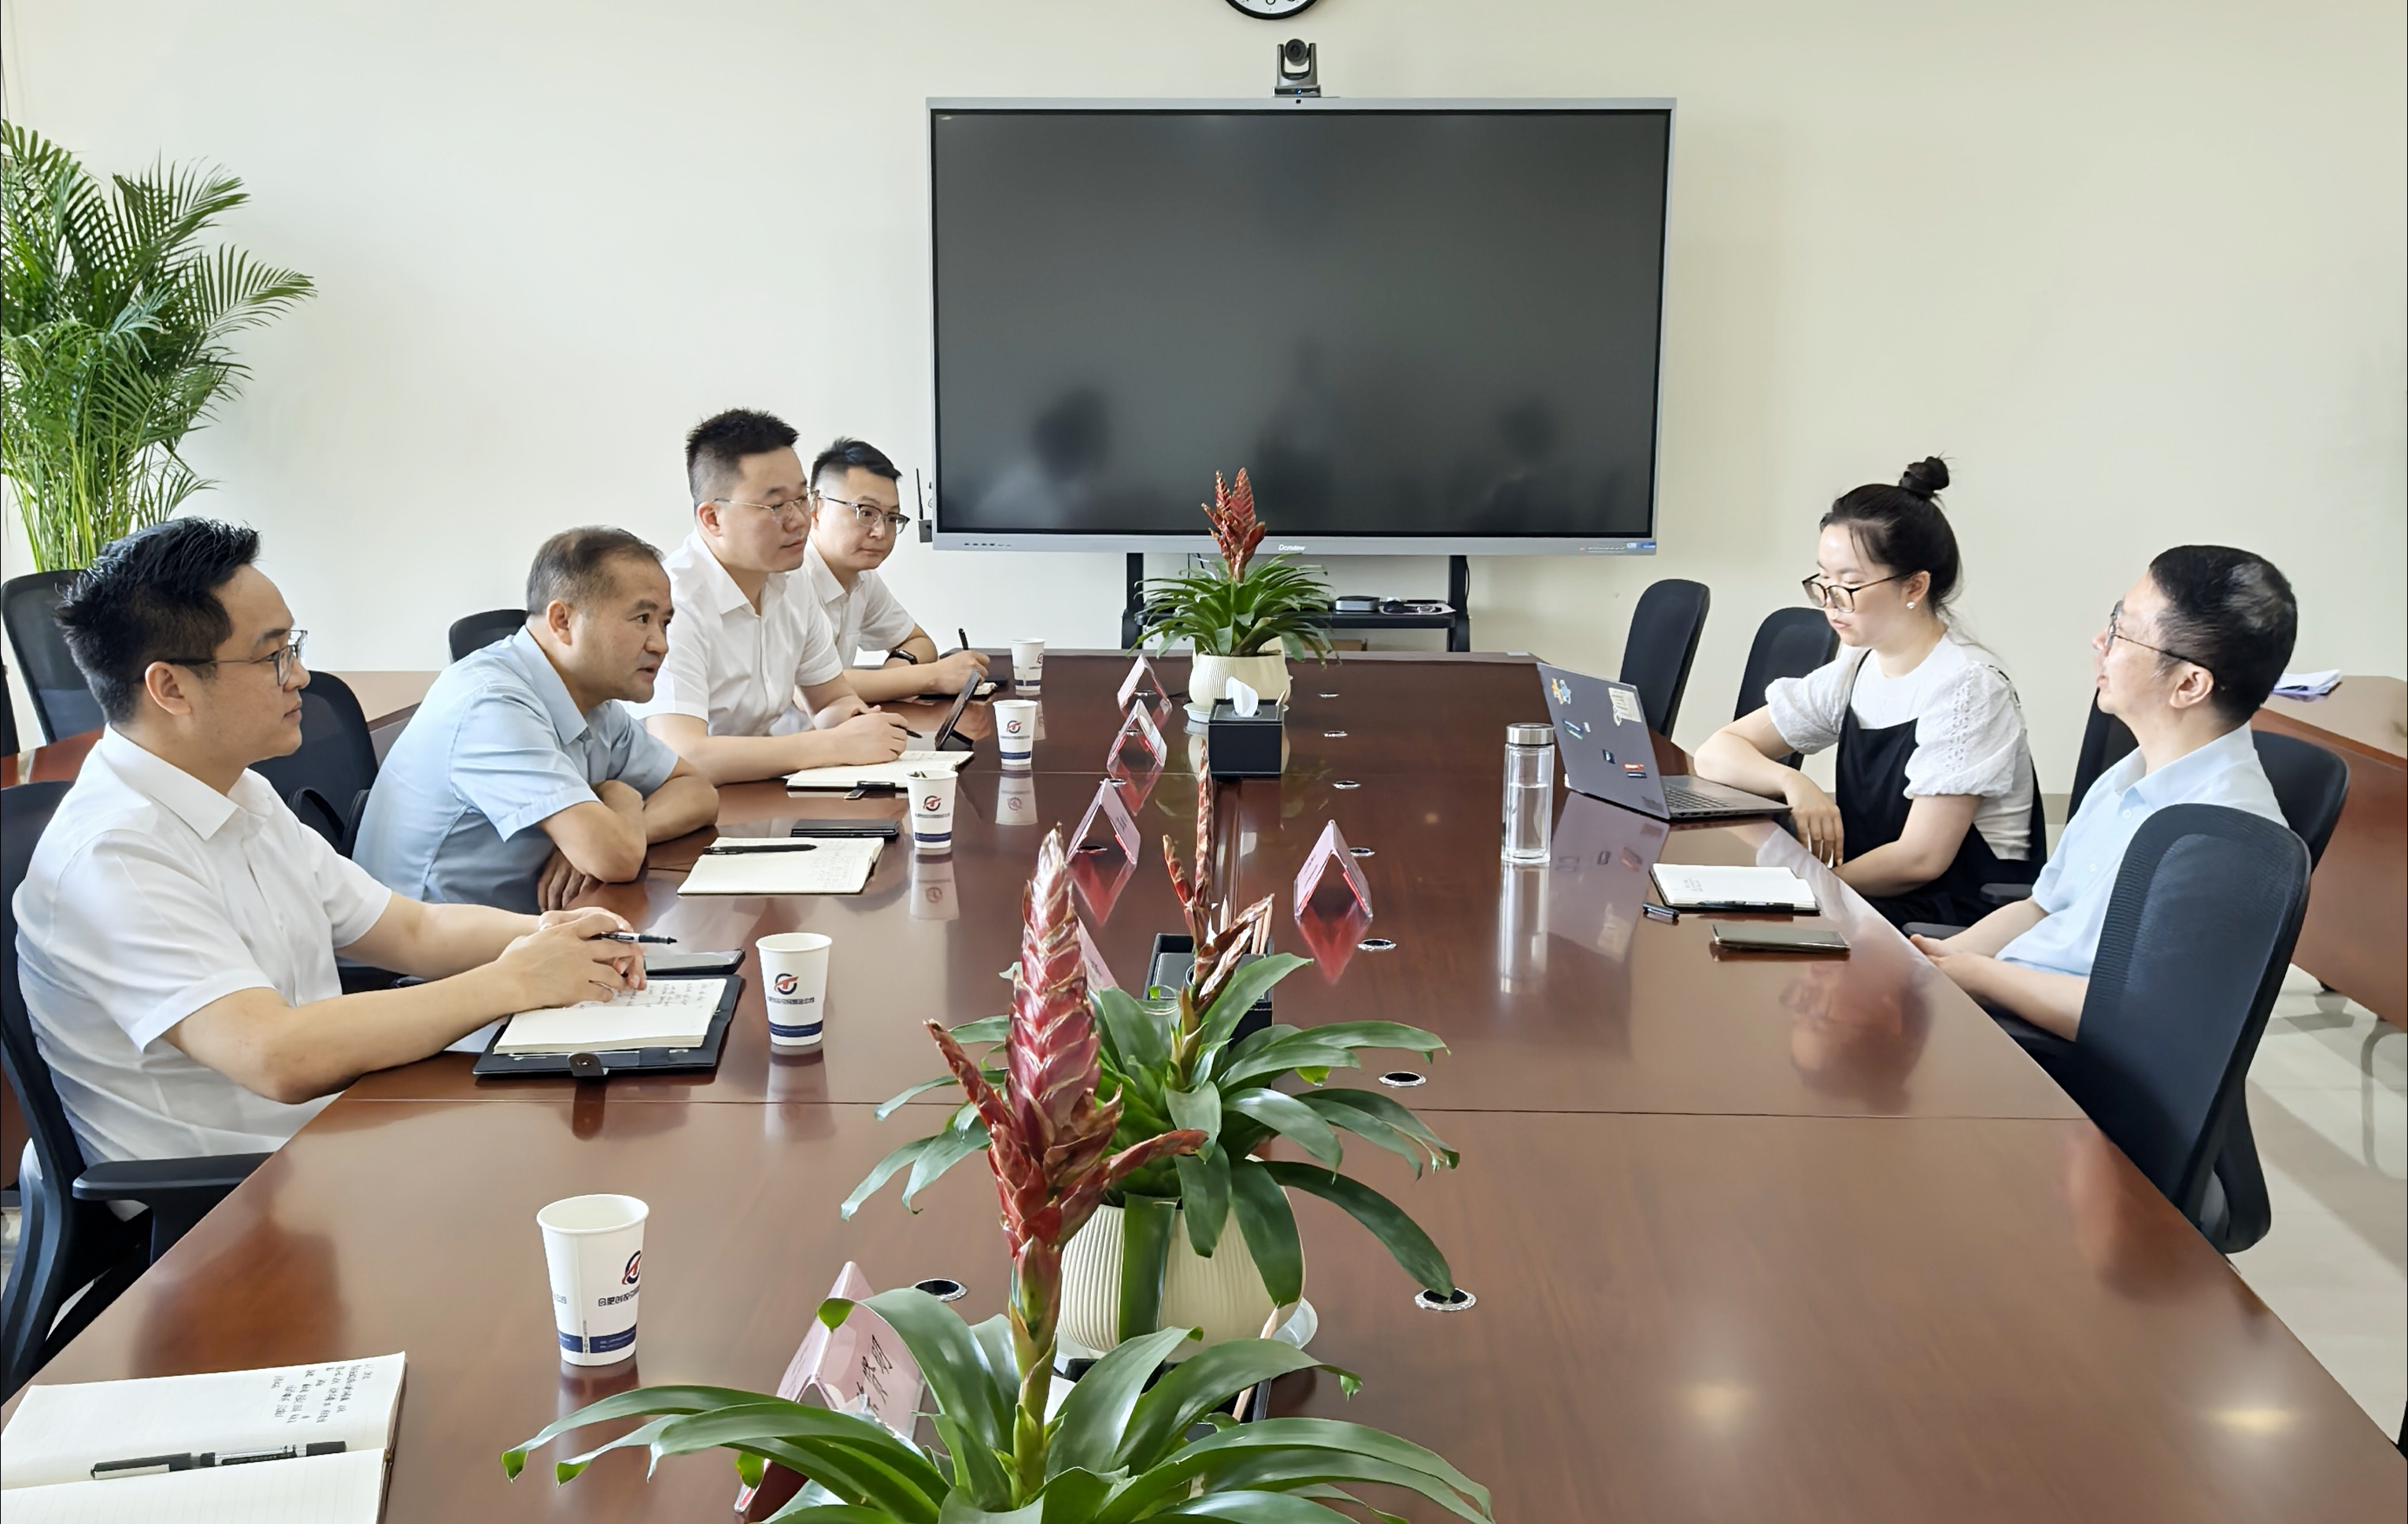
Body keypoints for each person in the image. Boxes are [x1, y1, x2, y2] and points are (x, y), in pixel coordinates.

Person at [17, 520, 642, 1163]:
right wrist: (512, 981)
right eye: (272, 656)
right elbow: (274, 1054)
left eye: (293, 646)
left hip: (331, 1132)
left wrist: (556, 936)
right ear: (171, 687)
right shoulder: (114, 854)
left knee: (604, 1120)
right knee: (582, 1153)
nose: (300, 676)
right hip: (234, 1193)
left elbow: (414, 930)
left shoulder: (241, 793)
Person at [1911, 546, 2295, 1039]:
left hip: (2057, 1055)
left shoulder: (2220, 836)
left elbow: (2139, 1019)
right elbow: (2041, 907)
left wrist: (1977, 976)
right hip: (2003, 1003)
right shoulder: (2130, 773)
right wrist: (1942, 958)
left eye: (2121, 630)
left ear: (2188, 684)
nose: (2100, 641)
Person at [1693, 457, 2039, 927]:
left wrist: (1809, 888)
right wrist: (1794, 783)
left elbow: (1921, 859)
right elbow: (1716, 753)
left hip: (1952, 919)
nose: (1830, 602)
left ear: (1914, 586)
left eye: (1850, 585)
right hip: (1873, 897)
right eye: (1824, 580)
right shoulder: (1858, 666)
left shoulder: (1969, 688)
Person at [355, 527, 719, 913]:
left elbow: (697, 792)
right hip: (423, 946)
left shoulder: (595, 701)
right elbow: (615, 859)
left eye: (664, 623)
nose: (660, 644)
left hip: (520, 929)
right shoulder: (492, 703)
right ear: (562, 621)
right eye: (642, 619)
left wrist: (621, 830)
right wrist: (618, 796)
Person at [636, 409, 915, 785]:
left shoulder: (792, 579)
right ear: (712, 518)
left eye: (801, 499)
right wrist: (834, 745)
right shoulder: (672, 603)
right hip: (675, 803)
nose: (799, 520)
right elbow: (684, 755)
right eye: (776, 506)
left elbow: (830, 700)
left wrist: (862, 724)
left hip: (756, 794)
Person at [802, 435, 989, 703]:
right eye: (866, 512)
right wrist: (931, 677)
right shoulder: (791, 579)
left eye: (891, 517)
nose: (880, 531)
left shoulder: (863, 579)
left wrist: (894, 681)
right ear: (816, 509)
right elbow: (810, 688)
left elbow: (919, 643)